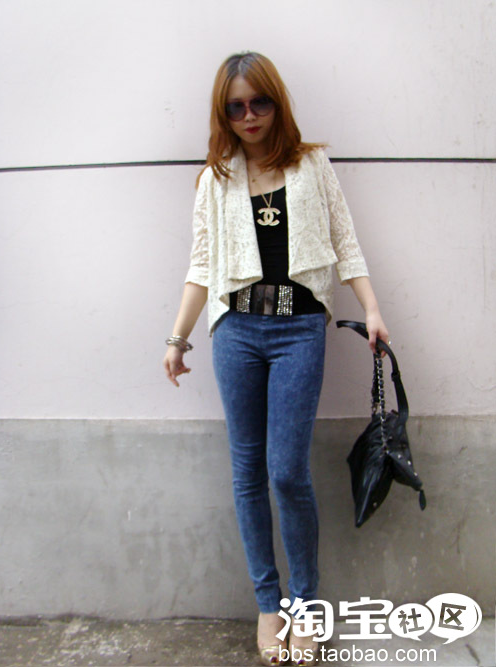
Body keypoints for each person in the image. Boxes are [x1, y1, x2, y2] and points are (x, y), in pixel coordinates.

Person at [163, 52, 389, 667]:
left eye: (259, 102)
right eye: (236, 106)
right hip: (236, 330)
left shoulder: (312, 164)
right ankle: (269, 603)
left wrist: (371, 308)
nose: (249, 115)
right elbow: (201, 267)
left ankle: (305, 605)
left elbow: (344, 241)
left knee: (287, 471)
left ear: (276, 102)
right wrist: (177, 339)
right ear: (223, 113)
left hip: (299, 331)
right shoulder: (215, 179)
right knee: (247, 472)